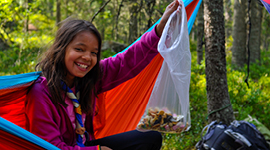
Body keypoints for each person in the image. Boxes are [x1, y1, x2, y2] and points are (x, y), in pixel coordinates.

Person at [25, 0, 181, 150]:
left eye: (94, 53)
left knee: (151, 138)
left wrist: (159, 30)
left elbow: (126, 61)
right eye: (79, 49)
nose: (87, 57)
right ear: (61, 49)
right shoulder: (41, 92)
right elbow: (48, 147)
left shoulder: (89, 78)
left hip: (85, 146)